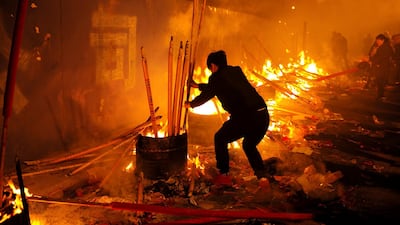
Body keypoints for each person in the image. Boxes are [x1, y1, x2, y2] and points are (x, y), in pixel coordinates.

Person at [185, 50, 271, 187]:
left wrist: (190, 104)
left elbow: (209, 93)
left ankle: (223, 175)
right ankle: (263, 177)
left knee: (220, 138)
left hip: (246, 117)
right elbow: (221, 87)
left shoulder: (216, 79)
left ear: (213, 65)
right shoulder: (236, 71)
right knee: (249, 145)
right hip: (262, 115)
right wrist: (198, 86)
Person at [369, 33, 394, 100]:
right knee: (380, 82)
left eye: (378, 41)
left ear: (382, 40)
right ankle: (380, 95)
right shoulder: (385, 46)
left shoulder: (384, 47)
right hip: (382, 66)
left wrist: (375, 60)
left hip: (382, 67)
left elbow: (380, 57)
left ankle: (380, 95)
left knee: (380, 81)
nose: (377, 42)